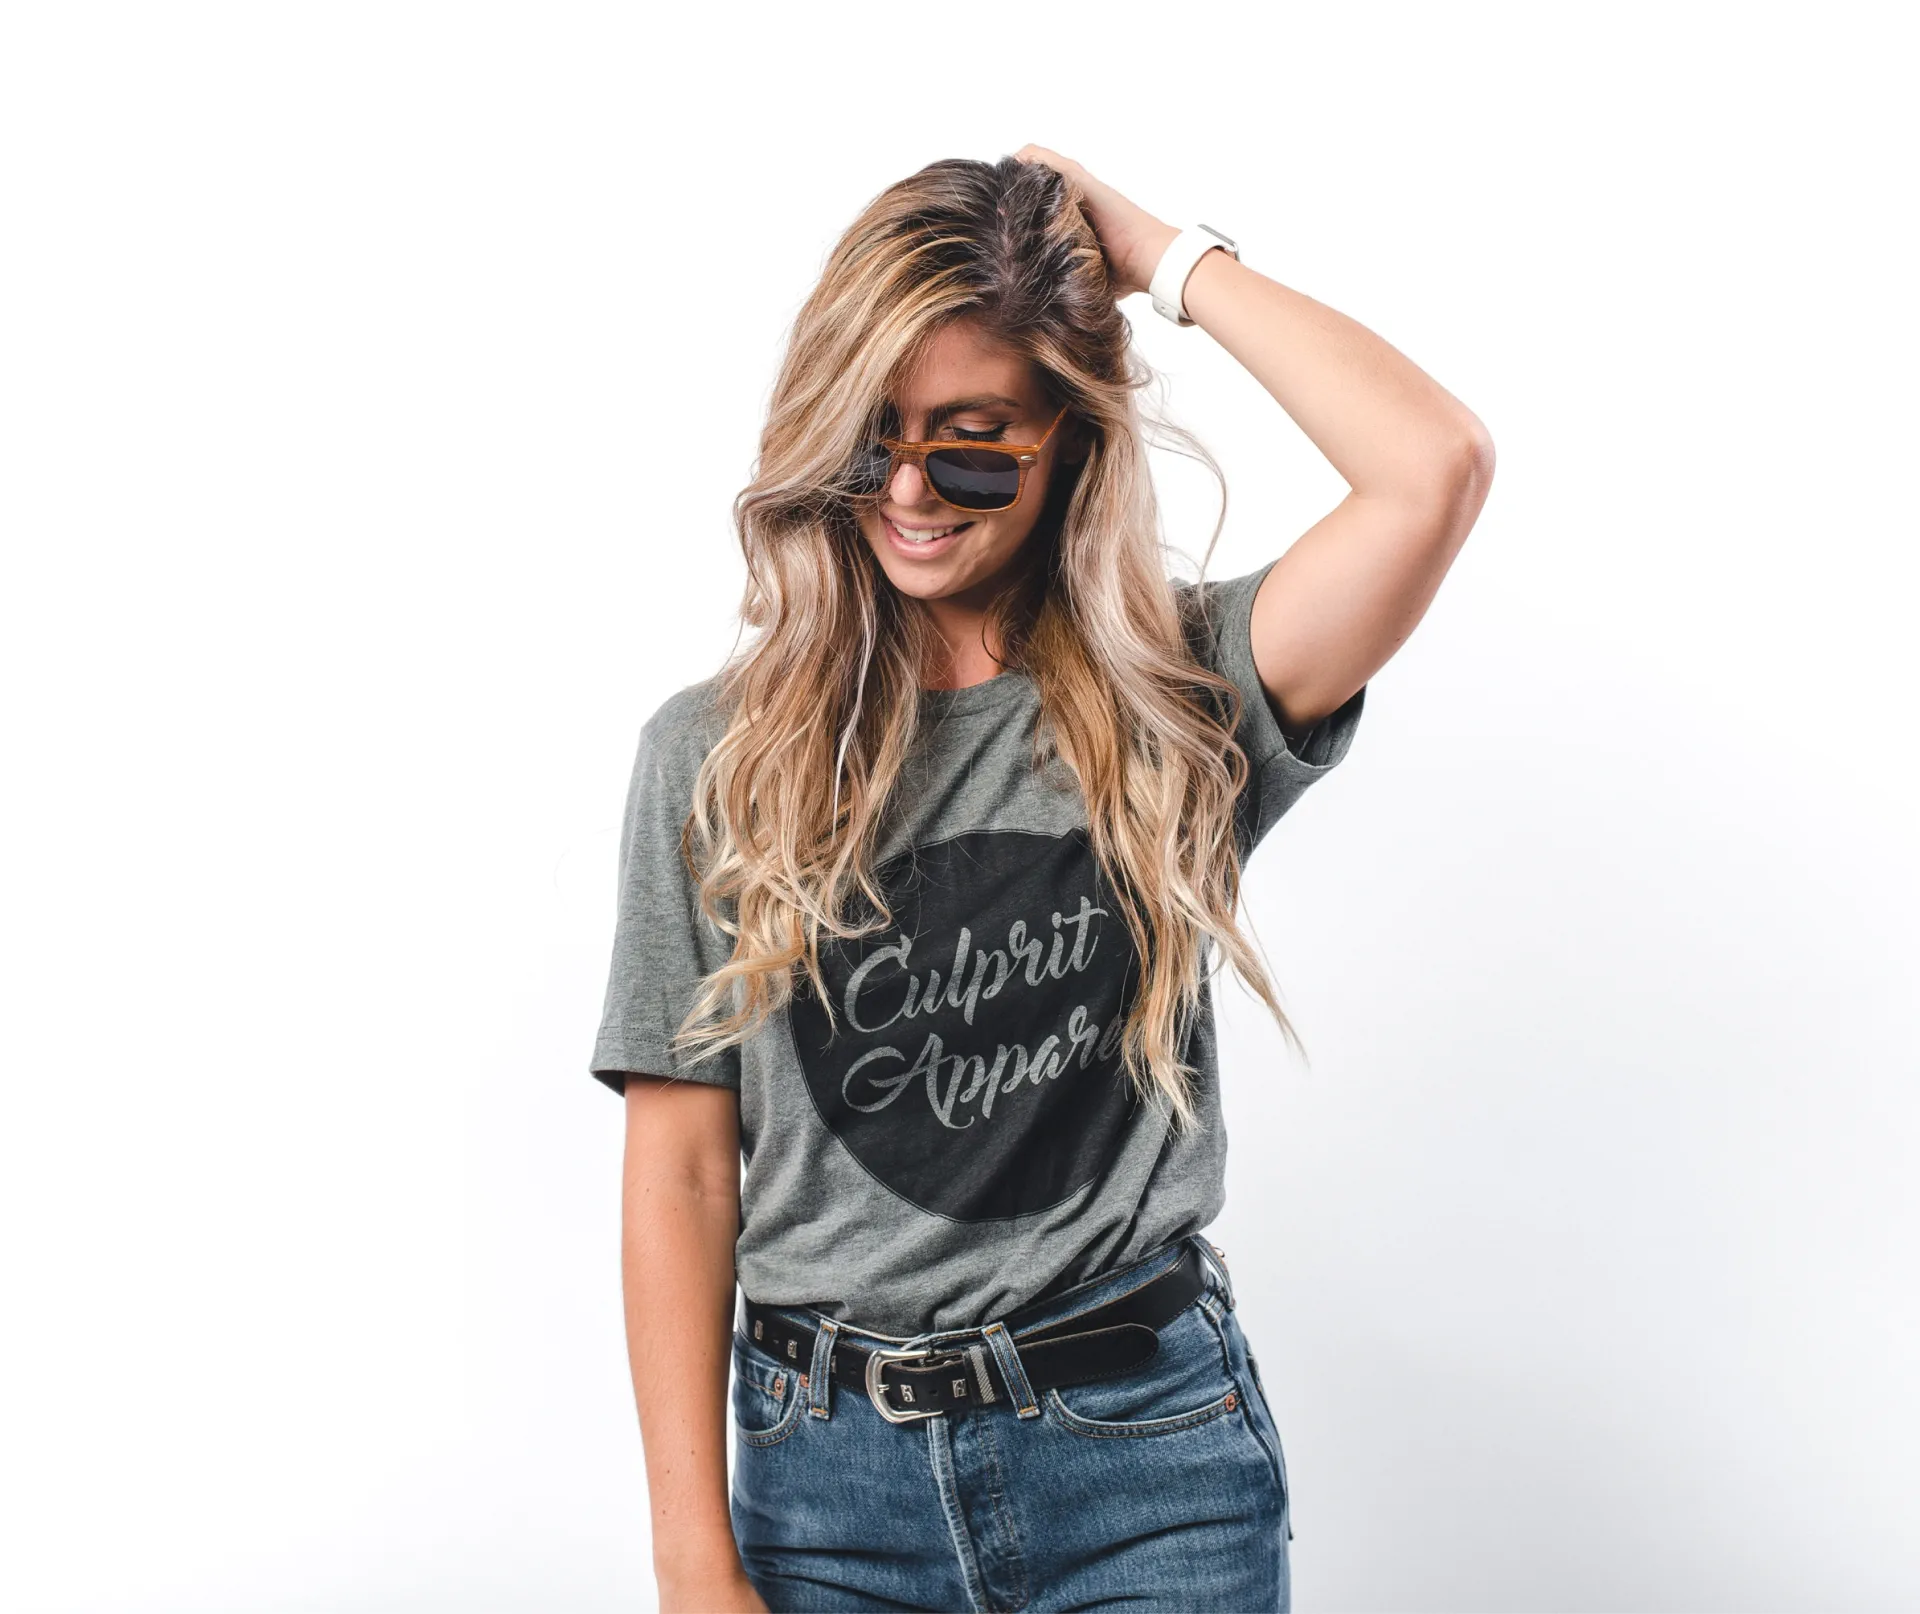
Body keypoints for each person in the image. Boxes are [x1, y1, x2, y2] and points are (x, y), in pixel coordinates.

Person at [589, 145, 1493, 1614]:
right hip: (825, 1493)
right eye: (871, 437)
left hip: (1145, 1469)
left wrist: (1160, 257)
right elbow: (684, 1169)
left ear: (1070, 438)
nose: (909, 491)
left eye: (972, 442)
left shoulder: (1181, 696)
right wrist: (692, 1557)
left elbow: (1432, 466)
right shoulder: (716, 756)